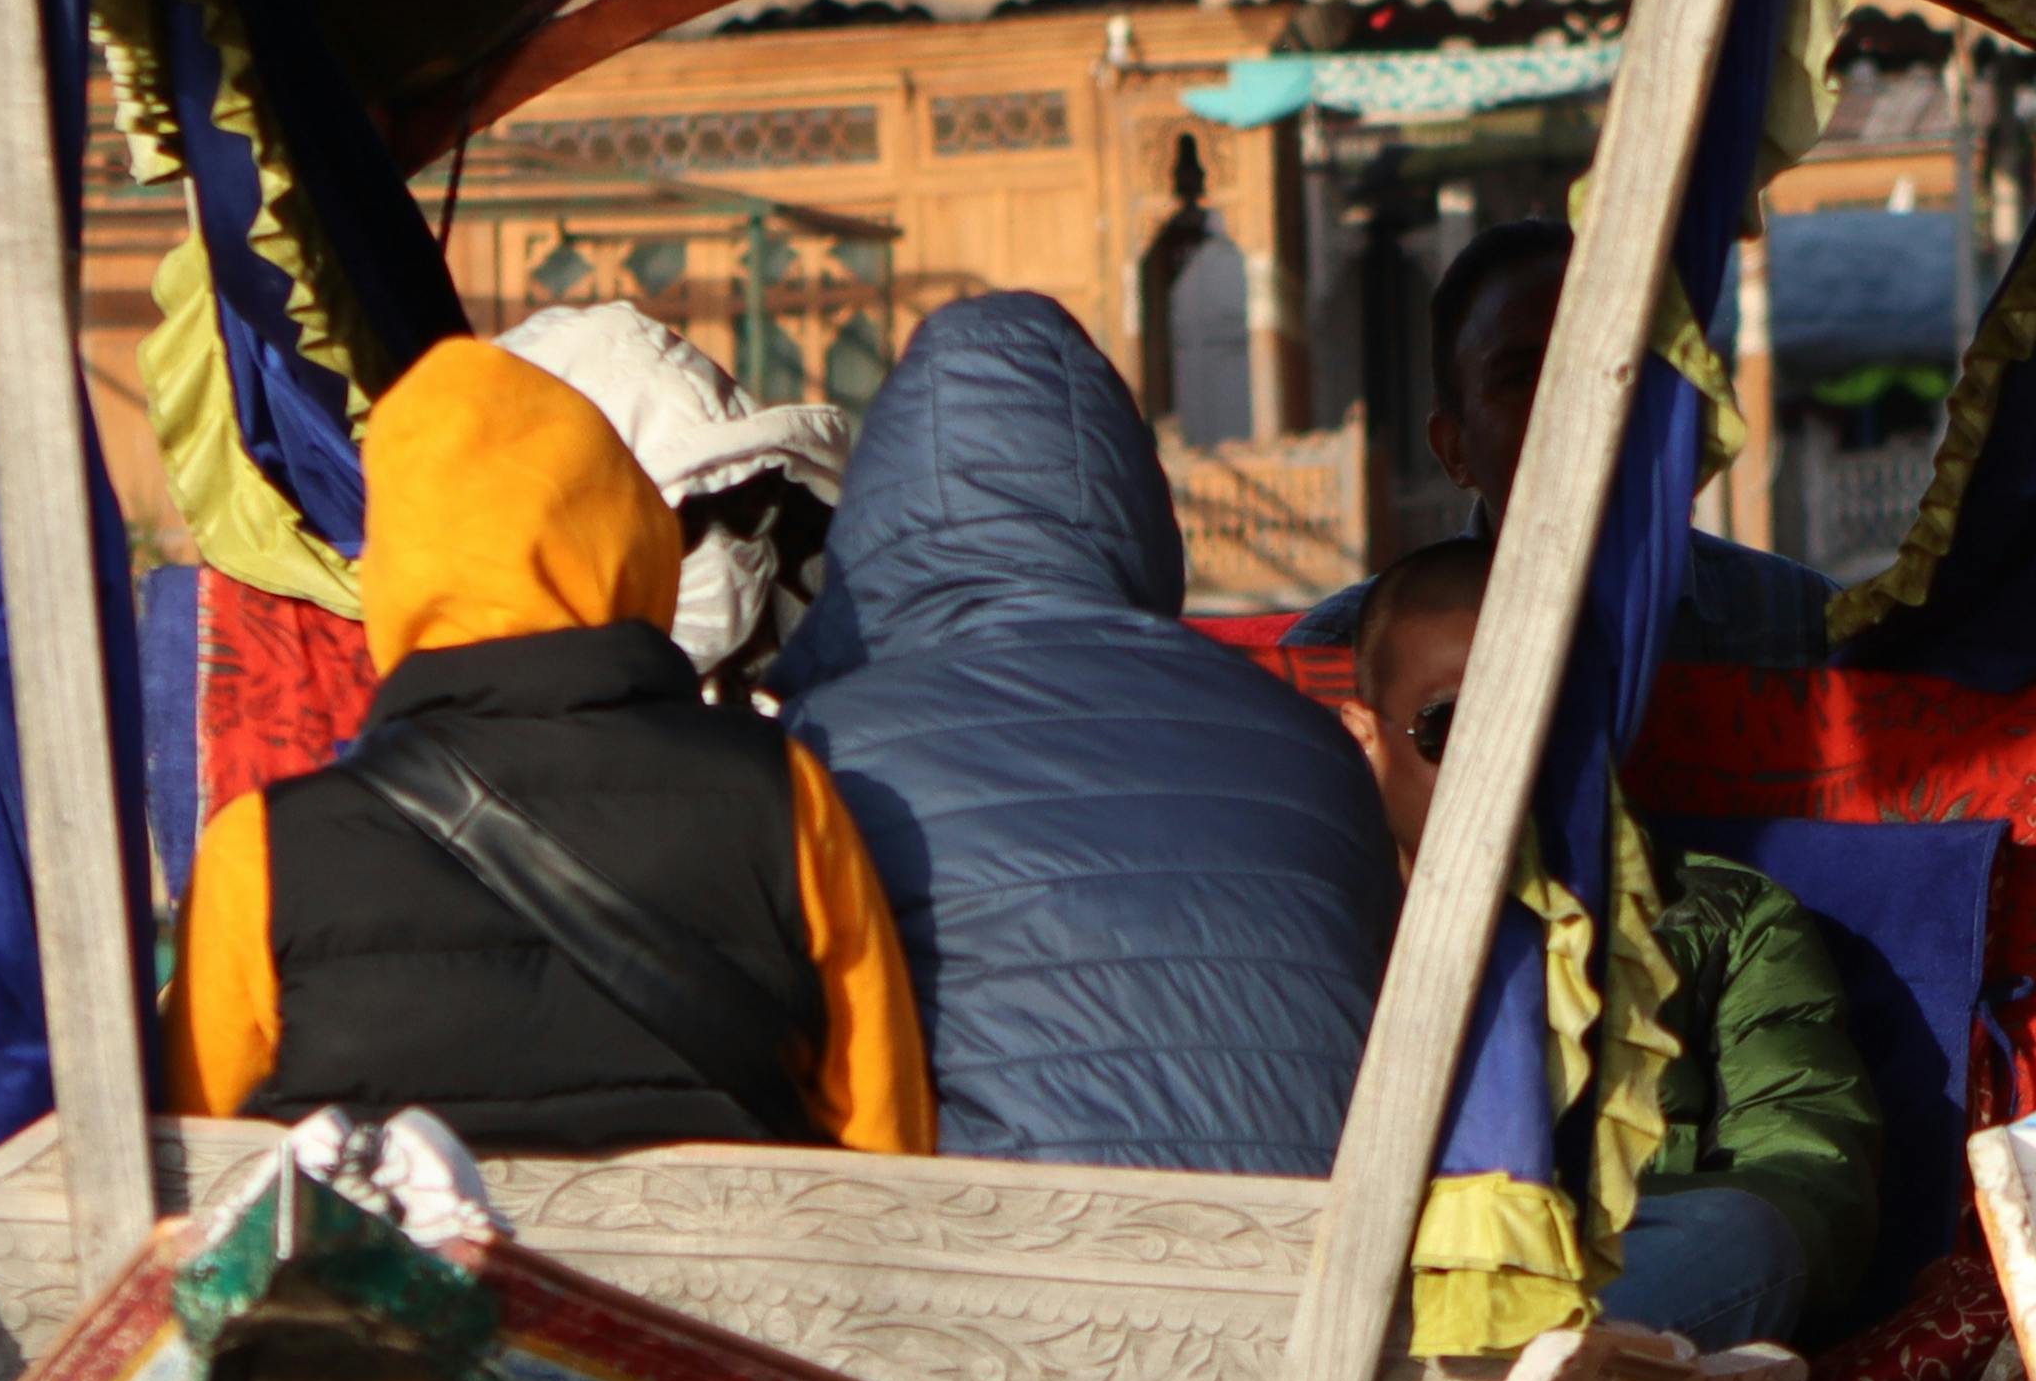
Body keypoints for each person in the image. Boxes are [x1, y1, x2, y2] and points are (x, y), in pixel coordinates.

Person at [166, 336, 933, 1153]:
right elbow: (888, 1138)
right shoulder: (781, 795)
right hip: (730, 1243)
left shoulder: (262, 849)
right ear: (630, 532)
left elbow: (200, 1160)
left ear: (394, 568)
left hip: (406, 1243)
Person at [777, 291, 1400, 1175]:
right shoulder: (1312, 748)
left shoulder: (824, 747)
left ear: (884, 507)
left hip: (1004, 1247)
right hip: (1320, 1246)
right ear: (1134, 497)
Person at [1349, 534, 1883, 1349]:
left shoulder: (1727, 917)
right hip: (1361, 1279)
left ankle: (1498, 1362)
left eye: (1545, 721)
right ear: (1367, 739)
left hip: (1616, 1283)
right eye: (1451, 725)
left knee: (1751, 1239)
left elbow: (1812, 1183)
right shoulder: (1318, 926)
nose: (1509, 763)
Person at [1288, 218, 1840, 668]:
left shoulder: (1804, 631)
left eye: (1612, 365)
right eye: (1523, 376)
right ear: (1453, 449)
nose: (1574, 402)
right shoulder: (1341, 657)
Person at [495, 297, 851, 700]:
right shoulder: (505, 730)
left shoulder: (853, 674)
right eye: (683, 524)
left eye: (745, 504)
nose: (721, 550)